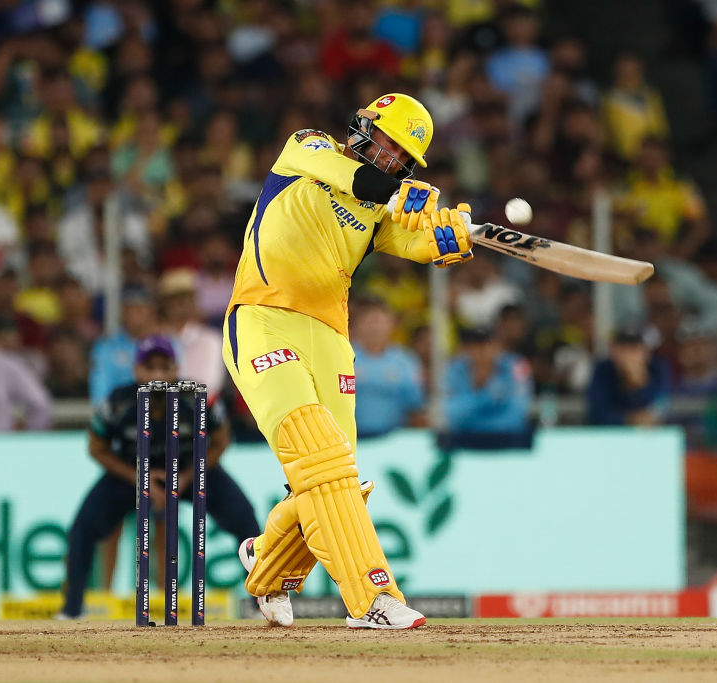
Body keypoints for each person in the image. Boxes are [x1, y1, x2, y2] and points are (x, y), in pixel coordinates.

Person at [224, 93, 474, 629]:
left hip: (330, 339)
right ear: (365, 129)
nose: (396, 161)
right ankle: (373, 600)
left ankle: (265, 563)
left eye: (407, 159)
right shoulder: (307, 149)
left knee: (336, 479)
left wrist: (446, 233)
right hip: (262, 318)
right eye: (392, 146)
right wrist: (406, 193)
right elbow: (361, 182)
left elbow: (413, 240)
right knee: (321, 461)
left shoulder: (378, 207)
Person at [60, 335, 260, 619]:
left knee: (245, 519)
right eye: (148, 368)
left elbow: (222, 439)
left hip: (192, 470)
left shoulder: (196, 398)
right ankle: (71, 610)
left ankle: (259, 600)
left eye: (164, 367)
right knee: (82, 528)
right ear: (136, 370)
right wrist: (137, 477)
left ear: (176, 369)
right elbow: (96, 446)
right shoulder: (118, 403)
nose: (156, 375)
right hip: (132, 473)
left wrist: (189, 476)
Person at [350, 298, 426, 437]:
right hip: (353, 439)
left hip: (393, 439)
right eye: (369, 321)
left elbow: (415, 407)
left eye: (379, 321)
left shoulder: (405, 361)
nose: (374, 328)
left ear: (391, 325)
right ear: (358, 325)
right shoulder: (346, 357)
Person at [445, 326, 534, 439]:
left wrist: (476, 425)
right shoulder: (455, 369)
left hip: (508, 441)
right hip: (466, 441)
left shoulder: (517, 366)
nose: (482, 352)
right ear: (467, 350)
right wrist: (482, 392)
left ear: (498, 346)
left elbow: (517, 415)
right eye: (475, 346)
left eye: (487, 345)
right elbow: (453, 414)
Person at [158, 268, 225, 399]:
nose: (179, 305)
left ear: (194, 302)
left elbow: (209, 385)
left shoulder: (211, 340)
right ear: (164, 304)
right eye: (173, 300)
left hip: (200, 409)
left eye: (184, 299)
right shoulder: (155, 339)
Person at [587, 326, 671, 426]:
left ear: (646, 352)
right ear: (613, 351)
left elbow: (661, 405)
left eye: (634, 349)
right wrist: (629, 419)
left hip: (651, 436)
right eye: (623, 349)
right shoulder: (602, 369)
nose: (628, 355)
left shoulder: (658, 369)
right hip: (611, 435)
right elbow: (598, 412)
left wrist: (640, 382)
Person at [88, 286, 157, 403]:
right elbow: (100, 392)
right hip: (120, 414)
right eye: (131, 308)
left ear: (151, 312)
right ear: (123, 312)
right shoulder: (106, 347)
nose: (137, 313)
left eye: (141, 308)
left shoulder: (167, 345)